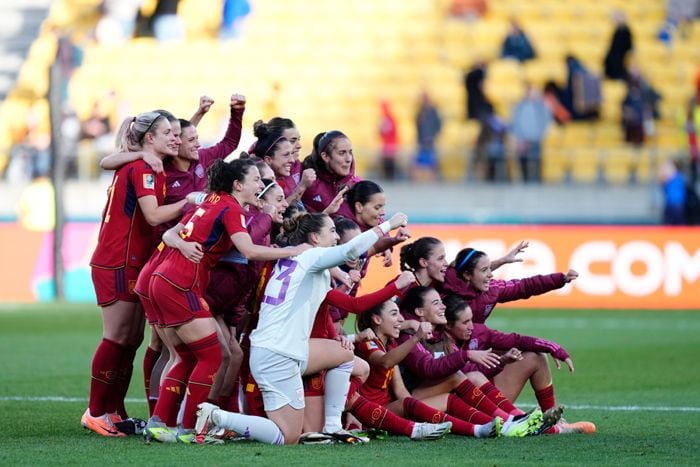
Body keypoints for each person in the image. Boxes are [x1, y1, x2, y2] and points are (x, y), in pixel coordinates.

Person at [194, 210, 410, 445]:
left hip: (274, 349)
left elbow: (354, 305)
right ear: (315, 238)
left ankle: (333, 426)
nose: (336, 237)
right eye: (332, 231)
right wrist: (389, 224)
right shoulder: (312, 258)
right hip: (279, 355)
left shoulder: (299, 263)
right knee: (288, 437)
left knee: (346, 355)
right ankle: (217, 417)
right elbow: (349, 250)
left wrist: (394, 286)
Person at [143, 159, 309, 444]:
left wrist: (182, 243)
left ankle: (159, 423)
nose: (261, 185)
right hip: (180, 283)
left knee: (185, 355)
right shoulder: (230, 207)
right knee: (212, 356)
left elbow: (171, 233)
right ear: (238, 185)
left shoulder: (212, 199)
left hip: (164, 278)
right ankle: (191, 430)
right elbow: (248, 250)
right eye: (256, 180)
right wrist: (292, 251)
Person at [83, 111, 188, 437]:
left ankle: (115, 411)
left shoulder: (149, 165)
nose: (176, 137)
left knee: (131, 340)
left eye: (176, 132)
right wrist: (190, 202)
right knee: (116, 337)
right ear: (149, 138)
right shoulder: (142, 166)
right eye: (168, 132)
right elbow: (153, 215)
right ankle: (95, 411)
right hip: (116, 260)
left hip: (131, 261)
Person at [397, 286, 556, 436]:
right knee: (460, 376)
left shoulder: (441, 335)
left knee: (474, 376)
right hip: (417, 400)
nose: (443, 306)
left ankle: (517, 418)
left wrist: (501, 361)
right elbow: (429, 369)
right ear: (420, 311)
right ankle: (513, 420)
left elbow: (513, 340)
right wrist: (467, 355)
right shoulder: (410, 336)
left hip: (447, 395)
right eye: (436, 303)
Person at [441, 294, 596, 435]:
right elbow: (465, 375)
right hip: (456, 406)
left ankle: (550, 418)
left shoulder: (478, 331)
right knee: (473, 376)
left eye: (471, 320)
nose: (472, 327)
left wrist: (553, 347)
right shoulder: (437, 343)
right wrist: (501, 361)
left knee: (536, 356)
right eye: (465, 322)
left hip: (485, 398)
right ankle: (533, 423)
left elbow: (516, 340)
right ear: (447, 325)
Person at [353, 298, 499, 439]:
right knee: (408, 403)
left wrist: (417, 410)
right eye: (394, 314)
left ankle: (492, 423)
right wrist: (416, 337)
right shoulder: (367, 343)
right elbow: (385, 361)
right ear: (377, 320)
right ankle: (476, 430)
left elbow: (400, 389)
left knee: (446, 399)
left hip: (391, 408)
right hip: (370, 413)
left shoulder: (390, 344)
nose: (401, 319)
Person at [441, 246, 578, 324]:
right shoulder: (441, 291)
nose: (491, 274)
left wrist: (561, 279)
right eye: (484, 270)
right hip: (448, 356)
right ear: (466, 275)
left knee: (536, 356)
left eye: (490, 268)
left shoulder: (492, 290)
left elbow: (525, 286)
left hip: (477, 345)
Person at [301, 130, 361, 217]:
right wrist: (327, 212)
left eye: (350, 152)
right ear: (325, 156)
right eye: (342, 153)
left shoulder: (357, 185)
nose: (349, 159)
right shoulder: (308, 184)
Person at [511, 84, 552, 182]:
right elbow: (515, 121)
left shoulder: (541, 105)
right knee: (523, 160)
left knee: (536, 159)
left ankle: (537, 180)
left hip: (536, 137)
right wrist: (518, 136)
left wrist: (541, 133)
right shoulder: (519, 106)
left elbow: (546, 119)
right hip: (522, 138)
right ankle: (525, 179)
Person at [413, 91, 442, 182]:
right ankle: (419, 182)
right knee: (419, 163)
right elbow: (417, 125)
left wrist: (434, 135)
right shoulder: (420, 111)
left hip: (430, 142)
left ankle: (431, 181)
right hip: (422, 142)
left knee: (431, 164)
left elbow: (438, 124)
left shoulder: (433, 111)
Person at [604, 11, 633, 81]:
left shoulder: (625, 31)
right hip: (614, 62)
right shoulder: (617, 30)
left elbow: (629, 48)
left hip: (620, 62)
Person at [658, 161, 689, 225]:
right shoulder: (667, 180)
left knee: (679, 223)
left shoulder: (678, 177)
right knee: (668, 224)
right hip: (670, 204)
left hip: (678, 204)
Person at [378, 100, 399, 180]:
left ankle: (390, 179)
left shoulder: (388, 119)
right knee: (387, 166)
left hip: (390, 146)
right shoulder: (386, 119)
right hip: (387, 145)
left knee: (390, 166)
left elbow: (387, 132)